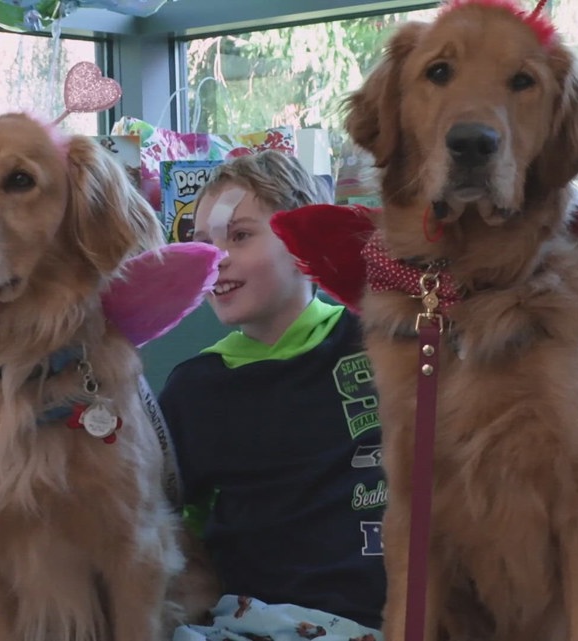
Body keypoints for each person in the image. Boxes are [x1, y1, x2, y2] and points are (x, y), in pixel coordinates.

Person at [157, 150, 387, 632]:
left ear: (304, 242)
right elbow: (175, 527)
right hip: (248, 620)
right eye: (203, 244)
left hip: (379, 617)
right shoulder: (195, 389)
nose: (216, 259)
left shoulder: (379, 342)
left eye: (239, 236)